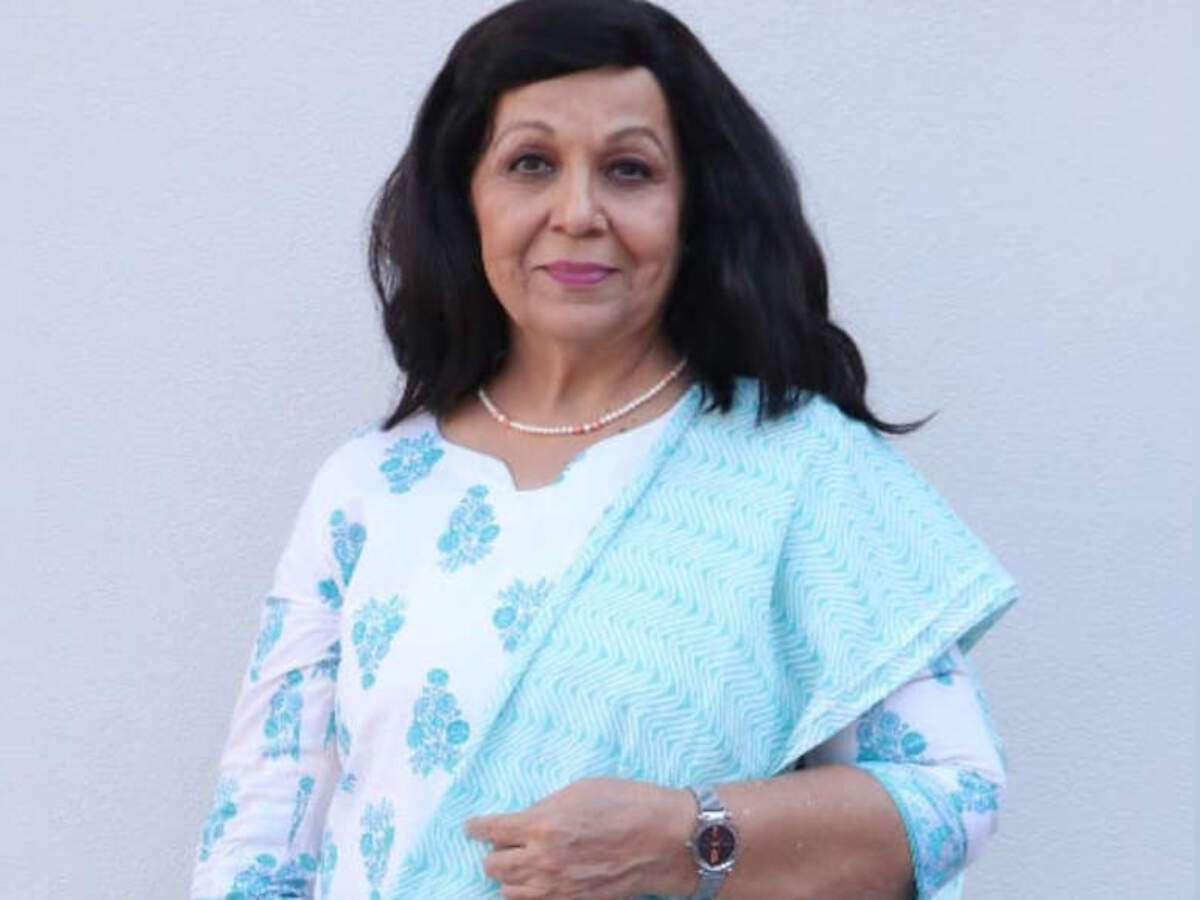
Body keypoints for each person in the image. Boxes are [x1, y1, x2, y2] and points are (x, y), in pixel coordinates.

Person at [190, 1, 1019, 898]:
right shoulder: (370, 486)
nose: (578, 213)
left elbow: (954, 794)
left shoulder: (800, 469)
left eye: (629, 170)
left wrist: (687, 836)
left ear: (693, 207)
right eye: (531, 164)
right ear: (466, 198)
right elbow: (261, 834)